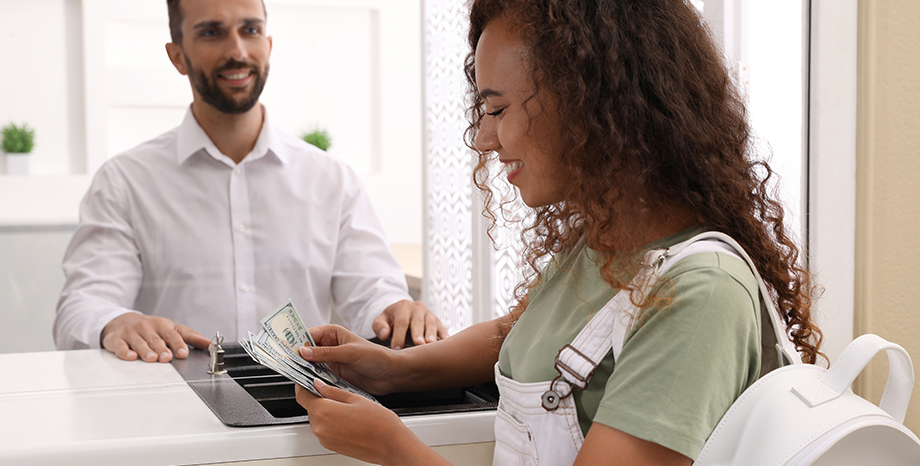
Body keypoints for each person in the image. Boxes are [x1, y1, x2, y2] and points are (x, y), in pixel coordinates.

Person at [293, 0, 824, 465]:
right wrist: (393, 369)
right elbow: (526, 333)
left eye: (497, 108)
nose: (482, 139)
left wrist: (392, 447)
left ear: (592, 101)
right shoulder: (604, 243)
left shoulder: (700, 294)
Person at [53, 0, 446, 363]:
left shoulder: (330, 179)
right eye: (211, 32)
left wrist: (397, 312)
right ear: (178, 56)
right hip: (172, 419)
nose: (237, 51)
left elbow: (373, 294)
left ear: (269, 44)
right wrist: (114, 321)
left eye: (250, 30)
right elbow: (83, 307)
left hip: (305, 418)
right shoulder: (125, 182)